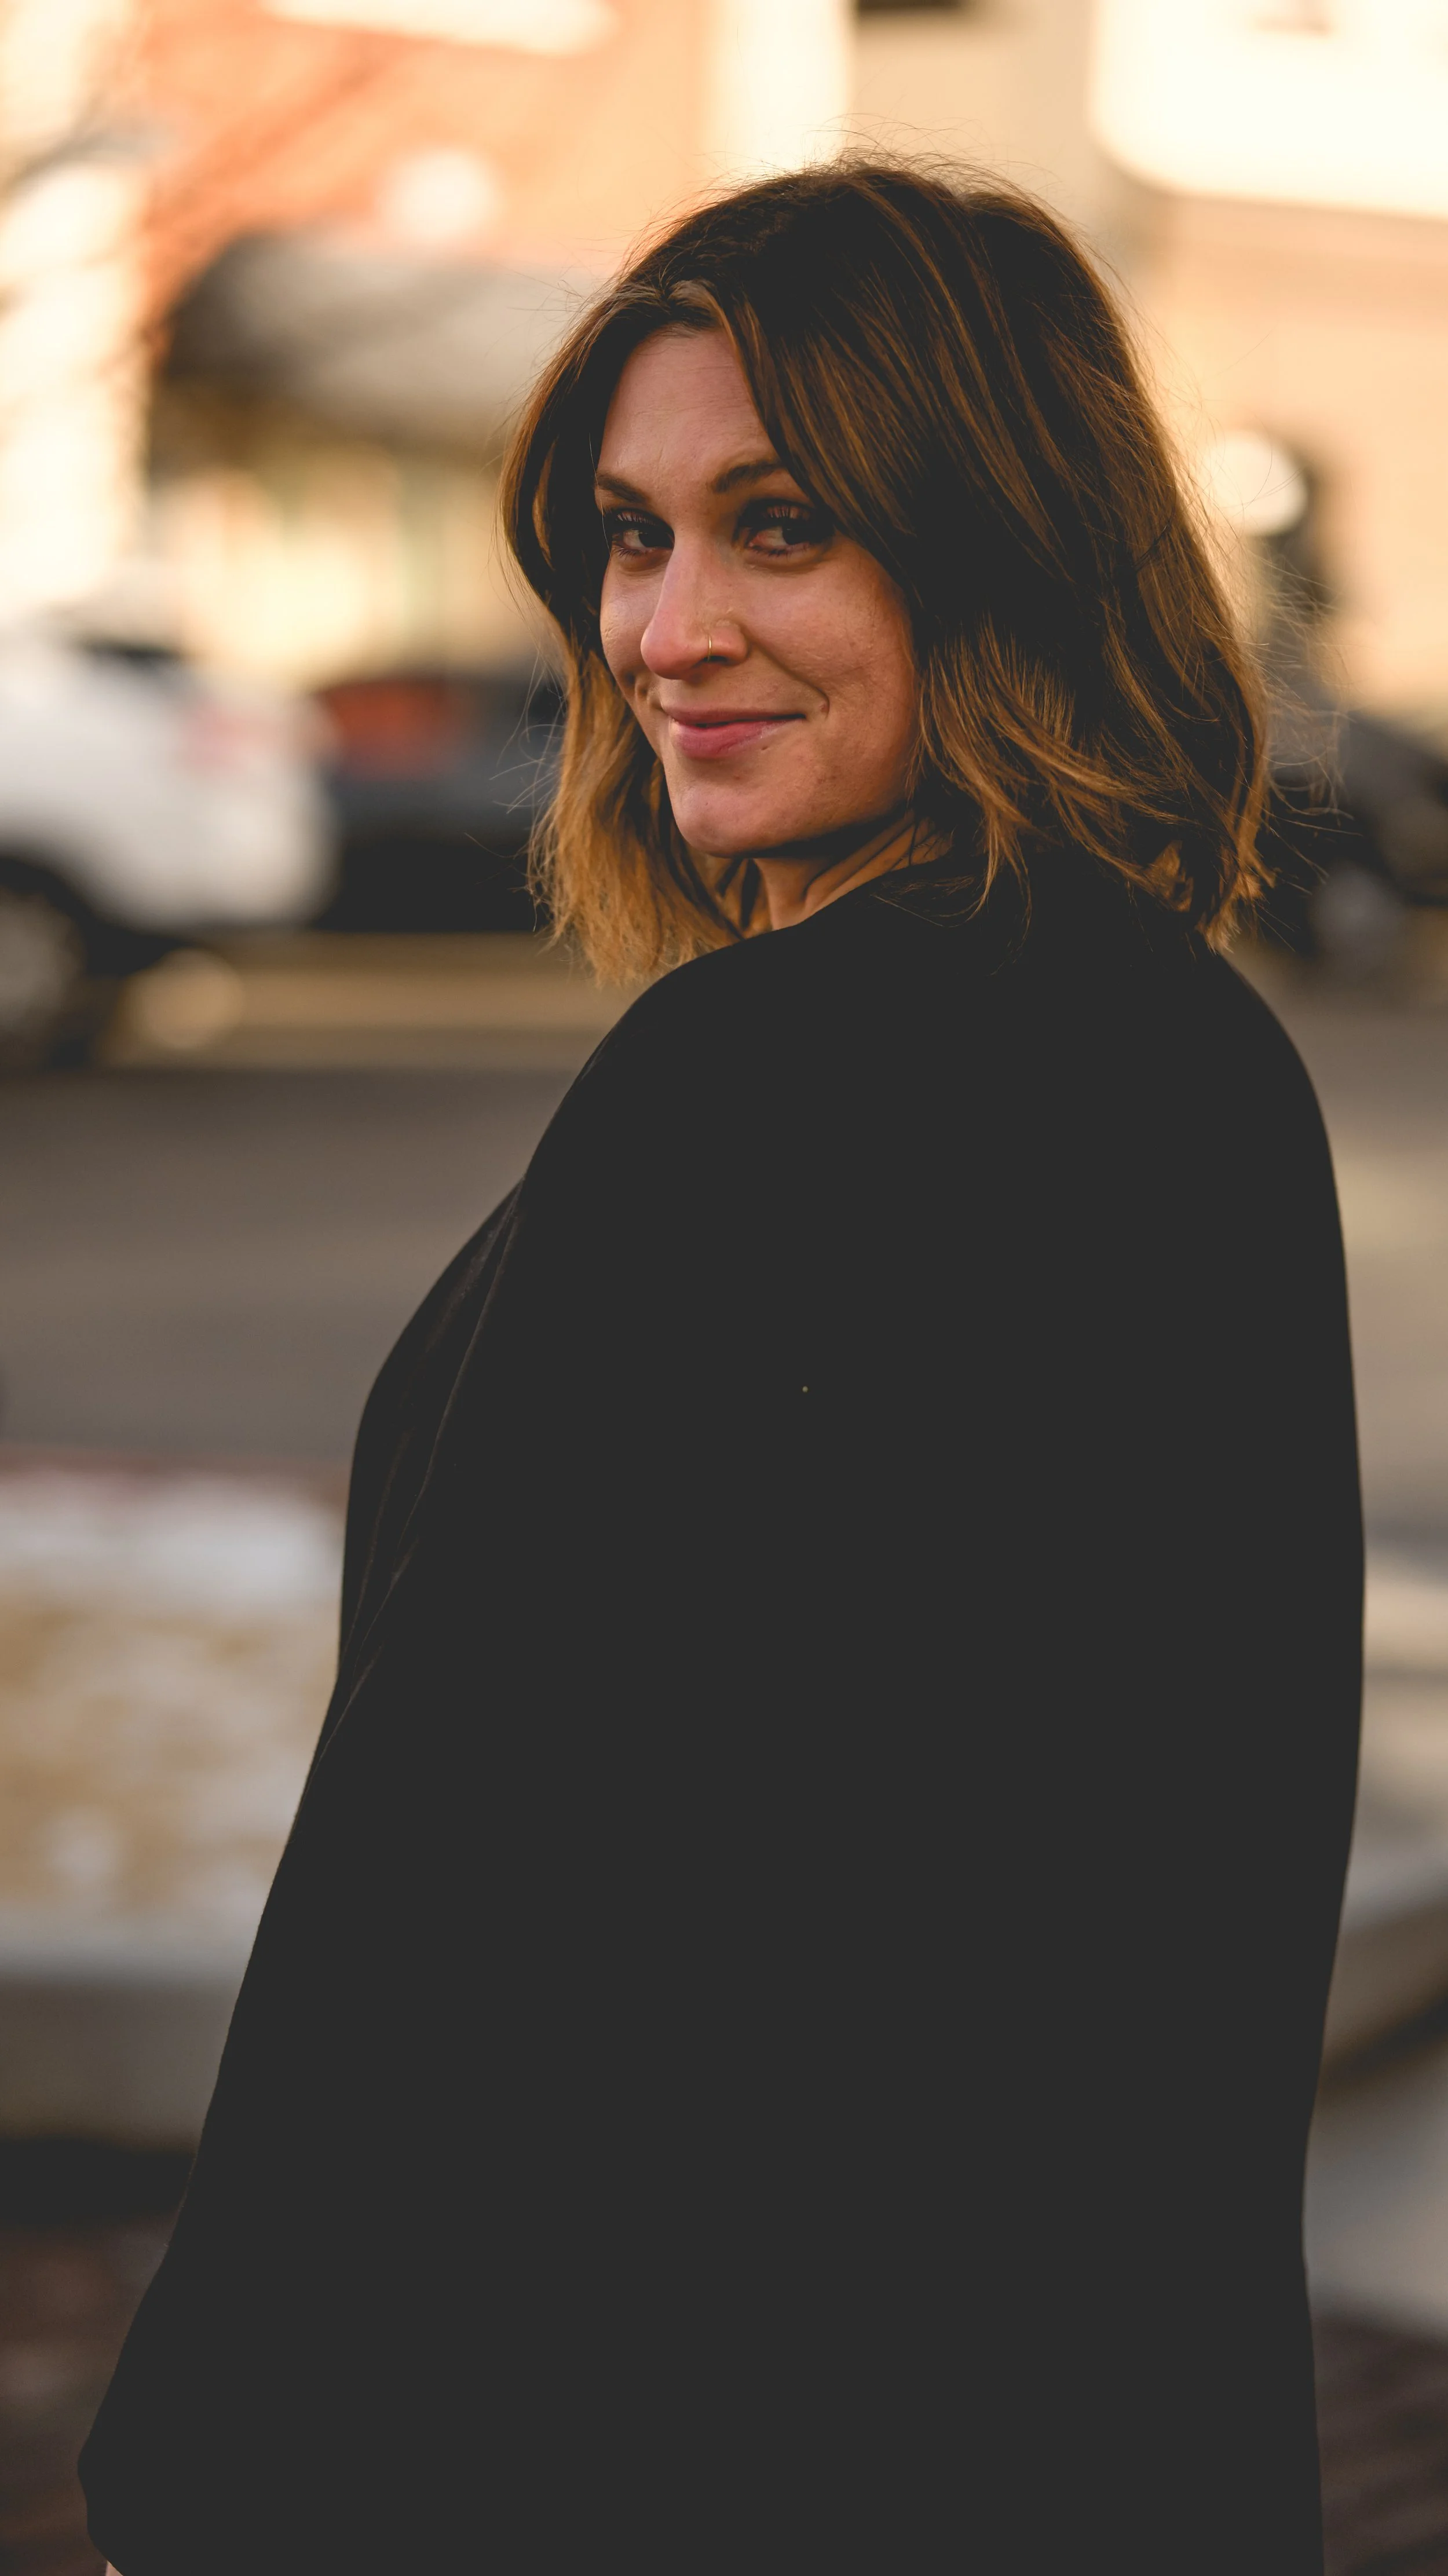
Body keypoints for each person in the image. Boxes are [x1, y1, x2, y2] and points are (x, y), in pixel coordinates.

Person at [83, 162, 1362, 2574]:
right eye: (627, 536)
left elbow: (456, 1903)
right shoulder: (1187, 1055)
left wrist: (212, 2464)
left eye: (779, 525)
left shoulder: (768, 1072)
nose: (664, 624)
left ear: (999, 541)